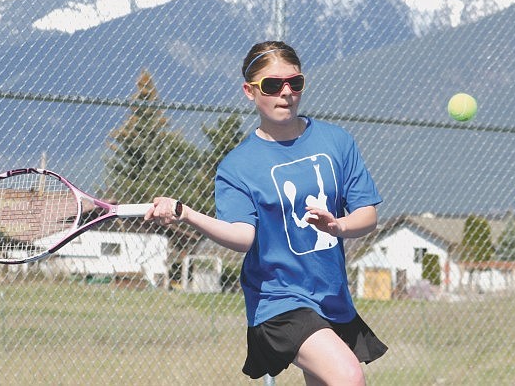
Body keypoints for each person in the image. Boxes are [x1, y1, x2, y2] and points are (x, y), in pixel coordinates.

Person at [145, 41, 387, 385]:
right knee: (349, 377)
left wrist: (338, 225)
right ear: (249, 91)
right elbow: (243, 237)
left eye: (295, 82)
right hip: (279, 301)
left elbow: (368, 215)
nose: (286, 93)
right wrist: (186, 213)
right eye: (273, 85)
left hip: (331, 296)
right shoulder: (238, 166)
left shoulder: (336, 141)